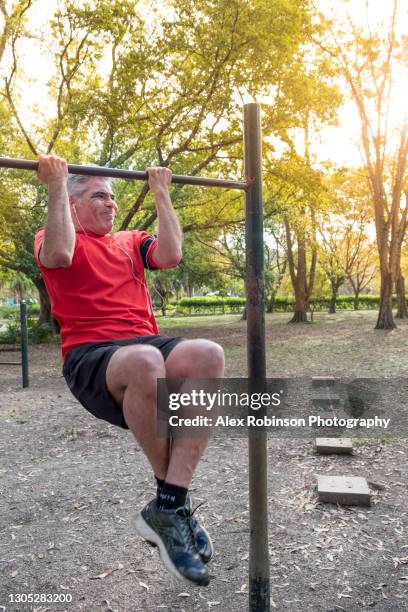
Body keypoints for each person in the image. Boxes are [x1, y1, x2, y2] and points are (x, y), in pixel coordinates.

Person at [34, 155, 225, 587]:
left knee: (208, 354)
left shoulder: (130, 241)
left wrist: (162, 192)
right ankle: (173, 507)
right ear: (73, 203)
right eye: (99, 195)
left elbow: (171, 255)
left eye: (113, 196)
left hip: (143, 342)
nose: (111, 203)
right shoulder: (54, 234)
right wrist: (55, 185)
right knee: (144, 360)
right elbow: (61, 254)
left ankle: (169, 504)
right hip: (91, 355)